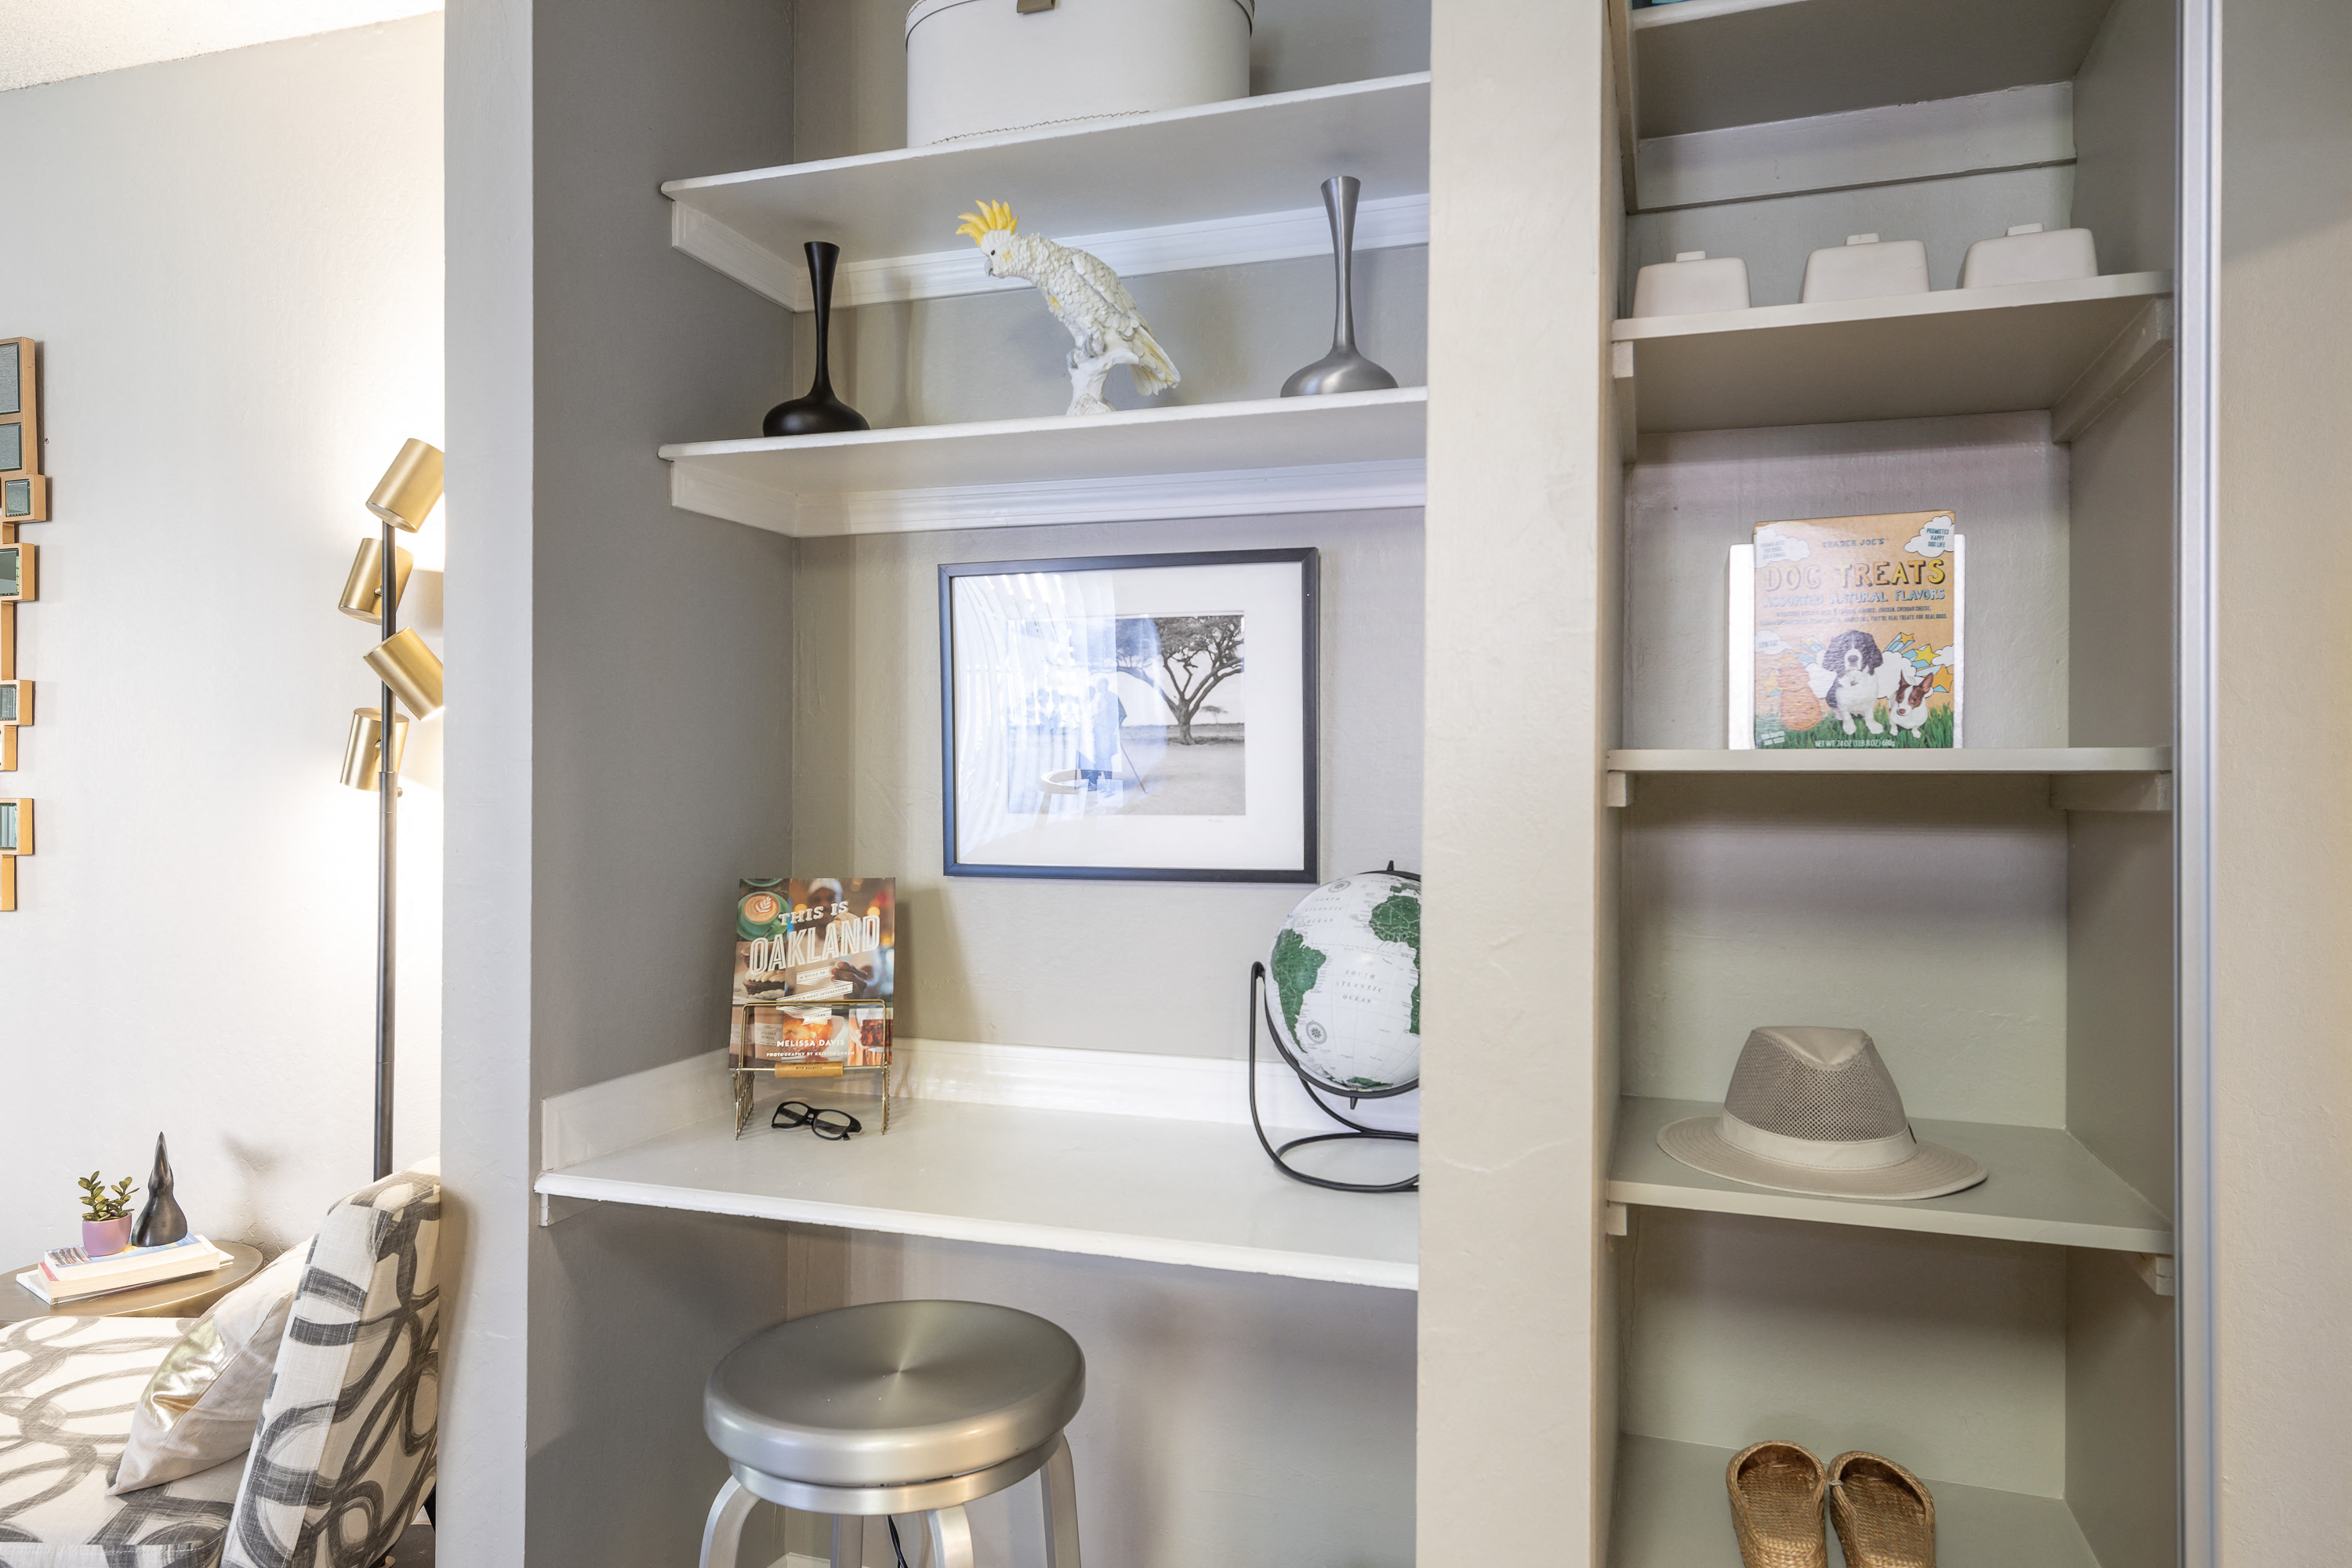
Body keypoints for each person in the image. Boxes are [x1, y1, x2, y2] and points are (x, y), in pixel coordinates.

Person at [1075, 673, 1126, 790]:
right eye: (1098, 685)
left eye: (1101, 684)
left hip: (1106, 734)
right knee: (1096, 759)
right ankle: (1094, 784)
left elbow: (1120, 714)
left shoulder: (1112, 697)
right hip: (1097, 734)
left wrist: (1115, 728)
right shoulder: (1099, 700)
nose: (1099, 687)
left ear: (1106, 685)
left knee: (1106, 758)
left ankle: (1110, 785)